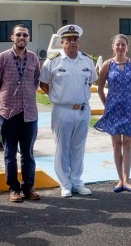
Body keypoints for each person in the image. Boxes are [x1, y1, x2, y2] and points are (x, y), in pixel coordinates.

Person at [39, 25, 96, 198]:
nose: (72, 42)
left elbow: (90, 82)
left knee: (78, 147)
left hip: (82, 109)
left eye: (75, 39)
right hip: (62, 110)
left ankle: (77, 181)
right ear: (61, 42)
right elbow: (43, 83)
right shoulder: (53, 61)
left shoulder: (87, 61)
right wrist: (57, 96)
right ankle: (65, 183)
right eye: (68, 39)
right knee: (62, 147)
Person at [0, 24, 41, 202]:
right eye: (19, 35)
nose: (22, 38)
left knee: (28, 153)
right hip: (8, 113)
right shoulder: (2, 58)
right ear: (12, 37)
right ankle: (14, 188)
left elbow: (35, 81)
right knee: (10, 153)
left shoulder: (34, 59)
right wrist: (5, 100)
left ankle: (28, 187)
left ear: (28, 38)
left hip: (29, 113)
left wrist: (26, 95)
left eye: (25, 35)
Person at [94, 34, 131, 193]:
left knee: (128, 143)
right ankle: (120, 179)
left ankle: (127, 179)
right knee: (116, 145)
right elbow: (100, 88)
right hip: (113, 109)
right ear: (113, 47)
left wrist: (130, 101)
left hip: (129, 109)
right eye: (118, 45)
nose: (120, 47)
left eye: (123, 45)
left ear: (127, 47)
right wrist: (107, 104)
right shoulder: (107, 65)